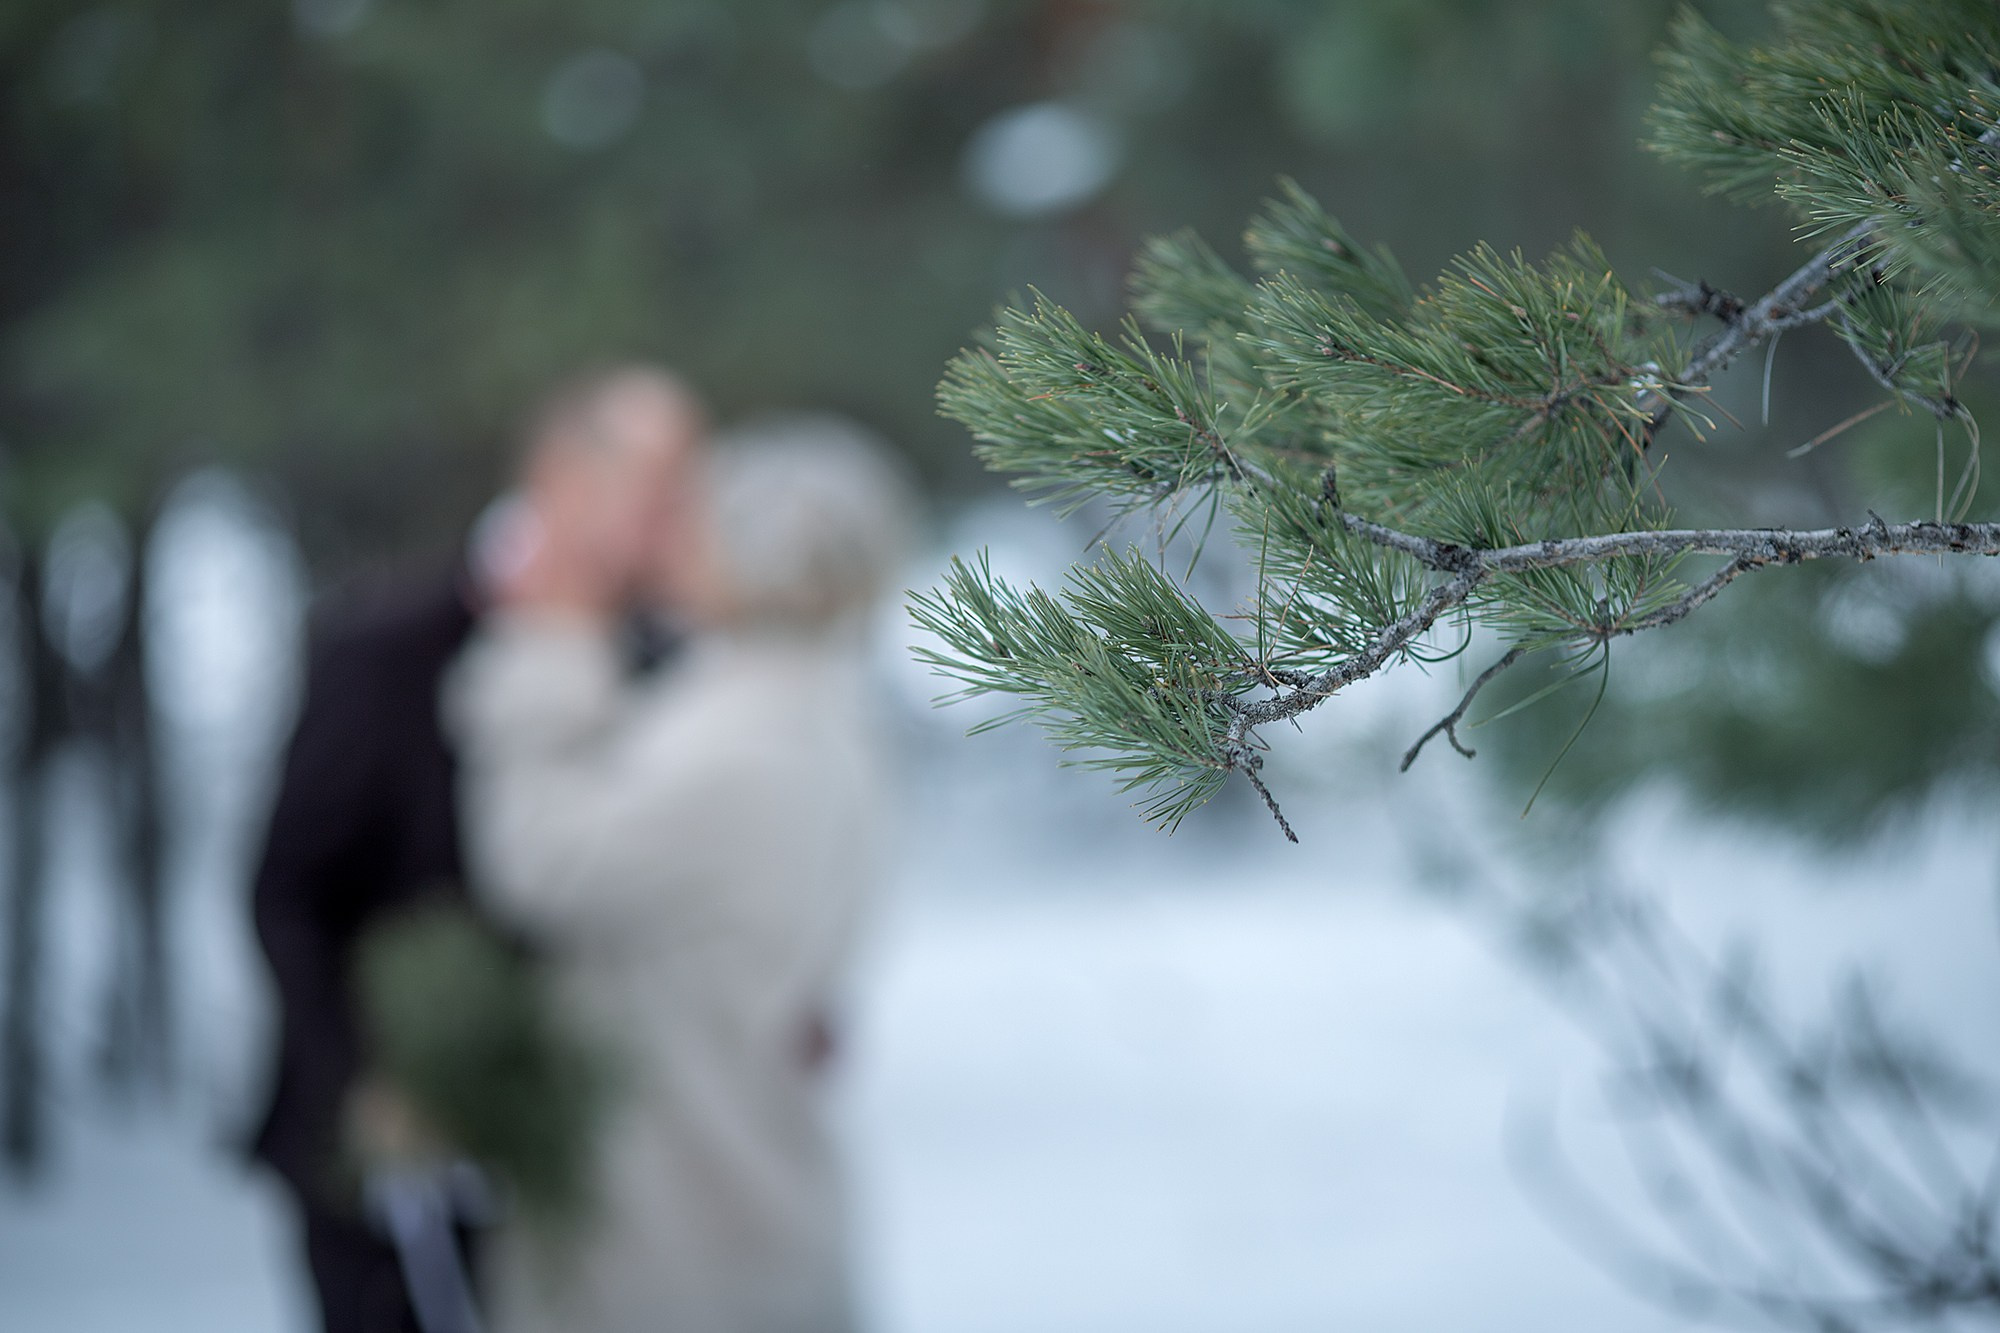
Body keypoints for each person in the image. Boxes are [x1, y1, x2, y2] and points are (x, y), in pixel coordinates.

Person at [249, 366, 705, 1333]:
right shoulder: (384, 643)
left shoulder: (668, 662)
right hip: (385, 1161)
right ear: (560, 477)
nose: (682, 518)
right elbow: (289, 889)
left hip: (589, 1160)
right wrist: (366, 1080)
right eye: (658, 487)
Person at [446, 416, 914, 1333]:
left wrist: (546, 647)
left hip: (681, 1212)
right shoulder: (816, 710)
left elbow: (540, 862)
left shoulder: (742, 738)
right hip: (745, 1188)